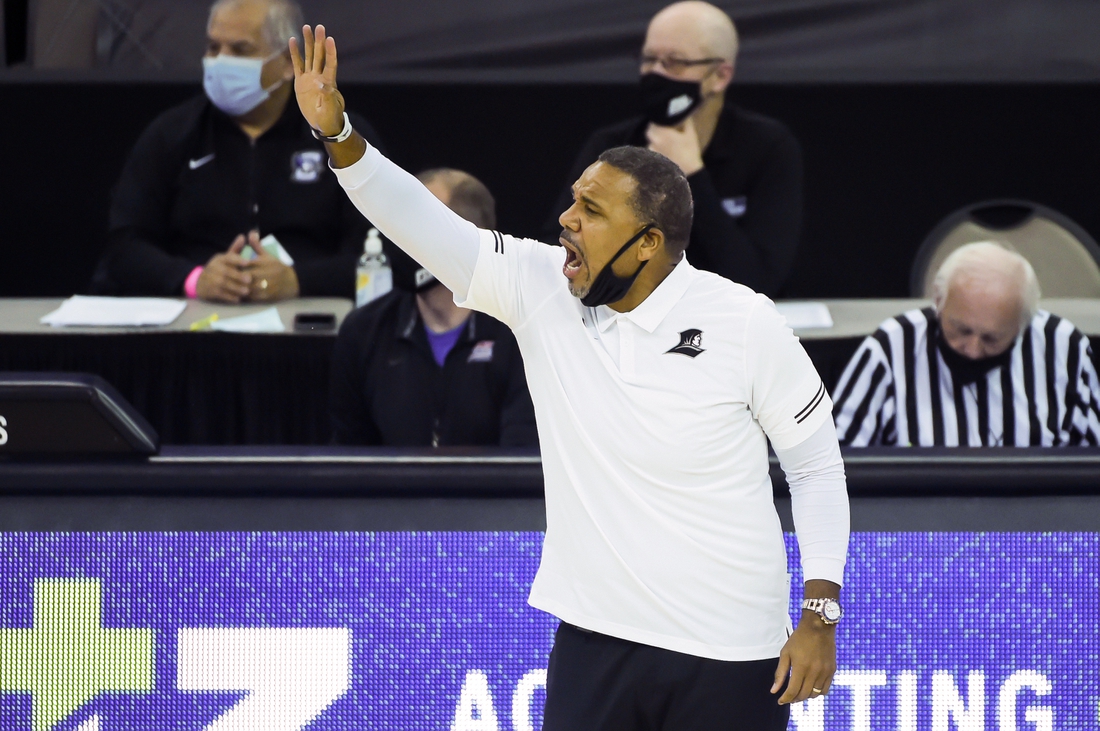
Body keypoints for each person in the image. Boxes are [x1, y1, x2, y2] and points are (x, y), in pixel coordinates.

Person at [291, 25, 848, 729]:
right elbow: (422, 222)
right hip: (595, 639)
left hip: (732, 648)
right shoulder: (540, 288)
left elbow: (817, 469)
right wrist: (339, 134)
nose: (565, 220)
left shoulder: (744, 320)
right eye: (573, 199)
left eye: (591, 210)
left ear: (648, 243)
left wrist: (820, 612)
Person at [99, 0, 386, 302]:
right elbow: (124, 247)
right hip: (195, 323)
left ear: (291, 63)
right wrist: (192, 279)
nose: (221, 61)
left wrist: (299, 279)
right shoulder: (172, 134)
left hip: (311, 323)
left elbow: (384, 252)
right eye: (213, 48)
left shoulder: (339, 139)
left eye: (240, 50)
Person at [542, 1, 802, 298]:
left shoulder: (767, 147)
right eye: (649, 59)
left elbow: (757, 279)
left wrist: (691, 176)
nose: (656, 74)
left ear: (719, 76)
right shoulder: (611, 146)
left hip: (723, 320)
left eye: (674, 62)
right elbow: (557, 248)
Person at [329, 169, 538, 448]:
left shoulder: (519, 333)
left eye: (414, 224)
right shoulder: (364, 331)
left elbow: (521, 464)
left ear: (464, 238)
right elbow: (349, 461)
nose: (396, 237)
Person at [833, 241, 1100, 446]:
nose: (972, 350)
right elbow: (835, 459)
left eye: (991, 339)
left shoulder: (1065, 349)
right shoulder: (892, 346)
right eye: (961, 330)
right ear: (938, 302)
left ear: (1022, 325)